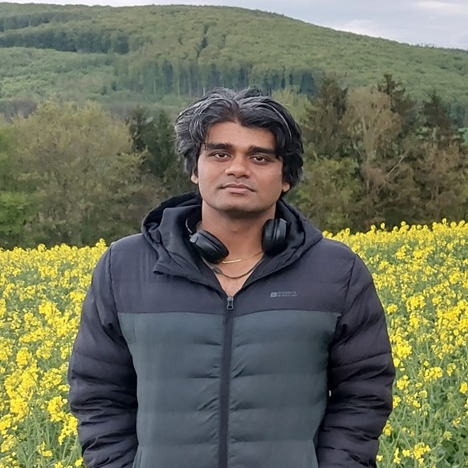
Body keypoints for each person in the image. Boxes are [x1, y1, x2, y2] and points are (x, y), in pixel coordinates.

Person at [68, 88, 394, 468]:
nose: (238, 168)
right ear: (195, 168)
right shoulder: (124, 267)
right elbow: (98, 393)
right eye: (220, 154)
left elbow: (364, 393)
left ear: (285, 178)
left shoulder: (337, 271)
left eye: (260, 157)